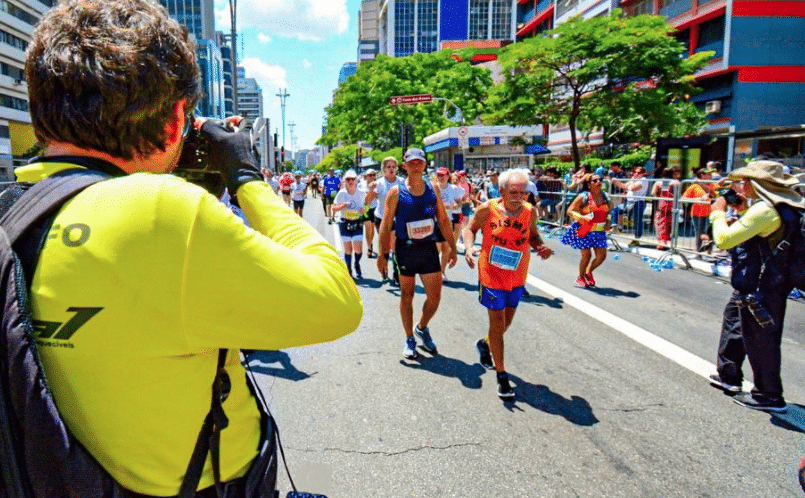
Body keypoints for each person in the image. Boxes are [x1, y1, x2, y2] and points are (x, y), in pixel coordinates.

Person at [20, 1, 363, 495]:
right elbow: (337, 300)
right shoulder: (163, 212)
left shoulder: (14, 207)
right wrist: (246, 177)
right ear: (175, 117)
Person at [709, 160, 805, 413]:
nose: (742, 186)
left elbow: (724, 238)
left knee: (761, 338)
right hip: (766, 278)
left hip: (762, 283)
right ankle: (728, 374)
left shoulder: (765, 210)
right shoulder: (786, 204)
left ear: (759, 184)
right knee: (735, 320)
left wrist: (718, 212)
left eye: (746, 182)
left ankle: (768, 395)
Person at [464, 169, 553, 399]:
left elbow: (532, 236)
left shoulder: (529, 211)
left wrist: (540, 247)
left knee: (506, 323)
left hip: (517, 275)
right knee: (497, 323)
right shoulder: (488, 209)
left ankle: (485, 344)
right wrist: (469, 247)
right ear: (501, 191)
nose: (518, 197)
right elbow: (470, 230)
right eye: (513, 192)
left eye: (523, 193)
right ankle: (502, 377)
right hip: (491, 275)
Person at [377, 148, 456, 358]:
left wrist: (453, 246)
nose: (416, 165)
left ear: (424, 164)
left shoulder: (433, 189)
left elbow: (444, 220)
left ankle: (422, 327)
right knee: (407, 295)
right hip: (406, 248)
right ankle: (409, 337)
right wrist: (382, 254)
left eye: (419, 162)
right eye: (411, 162)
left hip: (428, 248)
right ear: (405, 165)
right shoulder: (396, 192)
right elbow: (385, 226)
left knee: (435, 297)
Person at [560, 173, 612, 287]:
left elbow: (609, 212)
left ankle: (589, 271)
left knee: (601, 256)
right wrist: (581, 217)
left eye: (600, 180)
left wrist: (608, 221)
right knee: (586, 255)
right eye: (595, 181)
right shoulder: (583, 197)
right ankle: (580, 276)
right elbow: (570, 210)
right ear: (589, 185)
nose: (598, 182)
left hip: (599, 231)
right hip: (585, 228)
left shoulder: (606, 197)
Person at [366, 157, 405, 283]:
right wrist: (371, 190)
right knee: (385, 246)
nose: (391, 169)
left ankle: (396, 273)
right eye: (388, 167)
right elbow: (367, 202)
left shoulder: (402, 182)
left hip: (397, 218)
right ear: (383, 169)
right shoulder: (379, 183)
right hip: (381, 218)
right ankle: (384, 269)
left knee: (394, 245)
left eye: (393, 166)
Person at [333, 169, 367, 279]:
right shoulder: (341, 193)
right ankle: (348, 268)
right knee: (348, 249)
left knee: (358, 249)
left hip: (357, 222)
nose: (351, 181)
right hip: (344, 222)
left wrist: (363, 210)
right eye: (348, 179)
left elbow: (367, 205)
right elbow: (333, 207)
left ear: (356, 180)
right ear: (345, 181)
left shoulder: (361, 192)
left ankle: (356, 263)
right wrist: (342, 206)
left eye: (353, 179)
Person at [435, 167, 466, 280]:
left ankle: (442, 272)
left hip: (448, 221)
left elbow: (459, 203)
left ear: (448, 176)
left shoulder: (454, 189)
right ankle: (433, 271)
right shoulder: (433, 188)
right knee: (435, 248)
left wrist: (455, 206)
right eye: (439, 175)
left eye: (443, 175)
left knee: (445, 248)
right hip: (434, 221)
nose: (441, 177)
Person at [682, 166, 716, 252]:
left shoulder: (712, 184)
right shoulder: (694, 186)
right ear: (702, 175)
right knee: (699, 233)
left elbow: (714, 195)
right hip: (697, 213)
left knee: (709, 233)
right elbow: (683, 198)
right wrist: (697, 199)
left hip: (710, 212)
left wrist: (701, 184)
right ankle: (698, 252)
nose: (711, 176)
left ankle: (709, 253)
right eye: (708, 174)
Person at [614, 166, 649, 246]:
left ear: (643, 174)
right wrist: (615, 182)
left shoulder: (643, 180)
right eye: (635, 172)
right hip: (629, 201)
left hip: (638, 202)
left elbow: (633, 188)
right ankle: (619, 227)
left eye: (638, 172)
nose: (636, 174)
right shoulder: (634, 179)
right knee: (617, 209)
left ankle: (636, 239)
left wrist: (632, 181)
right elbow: (624, 186)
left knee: (637, 221)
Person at [651, 168, 681, 250]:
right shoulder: (676, 182)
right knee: (668, 224)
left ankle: (661, 242)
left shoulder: (658, 182)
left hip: (662, 204)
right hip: (673, 205)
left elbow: (653, 193)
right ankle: (665, 241)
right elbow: (679, 195)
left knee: (660, 223)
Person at [361, 168, 378, 258]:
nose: (372, 177)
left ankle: (370, 243)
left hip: (374, 207)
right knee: (368, 227)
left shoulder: (377, 185)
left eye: (374, 175)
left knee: (372, 228)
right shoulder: (361, 185)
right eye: (370, 175)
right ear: (366, 176)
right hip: (366, 208)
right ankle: (369, 247)